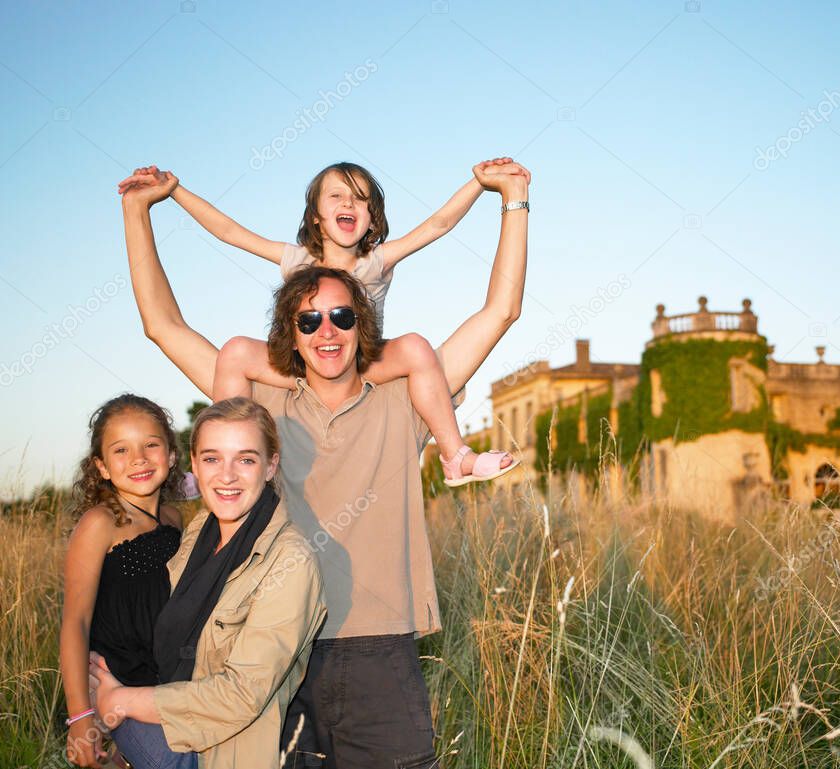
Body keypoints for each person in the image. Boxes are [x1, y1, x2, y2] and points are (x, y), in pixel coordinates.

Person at [120, 158, 528, 768]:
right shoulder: (260, 407)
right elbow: (162, 325)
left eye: (342, 316)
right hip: (272, 647)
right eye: (308, 320)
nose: (327, 331)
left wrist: (514, 202)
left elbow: (501, 311)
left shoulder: (408, 396)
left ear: (364, 324)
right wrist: (139, 208)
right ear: (289, 331)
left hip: (377, 651)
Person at [117, 159, 523, 486]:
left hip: (363, 366)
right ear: (315, 216)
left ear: (373, 219)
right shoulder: (296, 259)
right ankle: (220, 458)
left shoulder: (376, 261)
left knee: (417, 349)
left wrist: (480, 184)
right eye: (337, 196)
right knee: (236, 352)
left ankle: (455, 456)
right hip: (298, 369)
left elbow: (438, 225)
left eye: (361, 199)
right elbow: (228, 231)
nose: (349, 203)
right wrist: (175, 191)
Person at [90, 398, 327, 769]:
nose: (227, 476)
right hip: (169, 711)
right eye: (213, 458)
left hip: (223, 752)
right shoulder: (201, 528)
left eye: (246, 459)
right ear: (195, 465)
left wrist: (121, 702)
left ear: (271, 466)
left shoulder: (291, 561)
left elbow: (241, 694)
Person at [60, 394, 185, 768]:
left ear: (172, 455)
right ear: (100, 466)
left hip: (169, 689)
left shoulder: (174, 521)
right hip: (120, 687)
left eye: (151, 445)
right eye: (121, 450)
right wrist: (81, 718)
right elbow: (75, 622)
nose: (139, 459)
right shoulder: (100, 523)